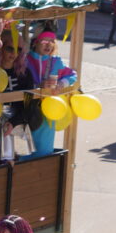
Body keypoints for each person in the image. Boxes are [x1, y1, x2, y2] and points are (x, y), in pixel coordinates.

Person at [21, 30, 76, 160]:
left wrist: (62, 83)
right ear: (36, 43)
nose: (49, 44)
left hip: (47, 115)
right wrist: (37, 86)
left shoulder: (55, 61)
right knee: (23, 152)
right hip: (25, 110)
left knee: (43, 153)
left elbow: (72, 75)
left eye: (52, 41)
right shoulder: (25, 60)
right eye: (45, 41)